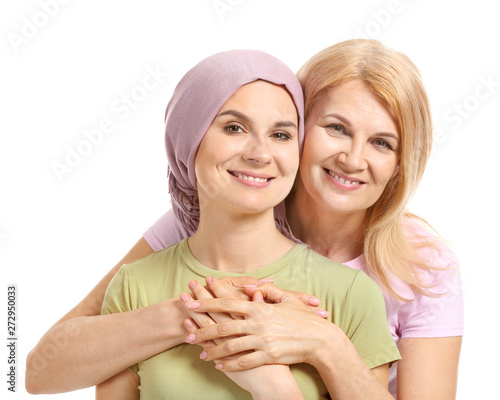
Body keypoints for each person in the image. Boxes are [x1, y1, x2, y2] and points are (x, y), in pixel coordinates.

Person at [26, 39, 462, 399]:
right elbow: (43, 370)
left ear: (402, 164)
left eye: (382, 143)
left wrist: (322, 342)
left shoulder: (419, 268)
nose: (352, 158)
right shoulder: (211, 213)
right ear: (303, 129)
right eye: (336, 128)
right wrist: (198, 314)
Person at [95, 49, 399, 399]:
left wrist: (275, 387)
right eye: (234, 127)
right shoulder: (134, 286)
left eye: (281, 135)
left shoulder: (351, 294)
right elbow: (41, 371)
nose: (260, 153)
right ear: (188, 142)